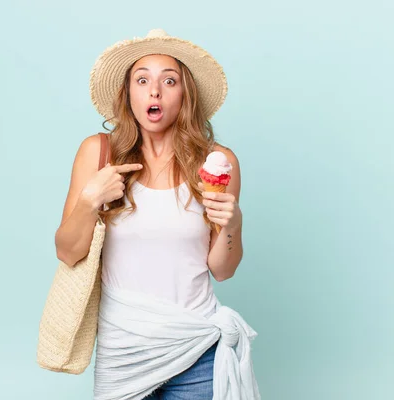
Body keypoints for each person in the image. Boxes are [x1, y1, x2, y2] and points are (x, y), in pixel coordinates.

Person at [55, 29, 261, 400]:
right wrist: (89, 201)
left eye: (169, 81)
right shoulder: (98, 153)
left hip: (194, 346)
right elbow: (68, 252)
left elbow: (223, 269)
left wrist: (233, 224)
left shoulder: (217, 162)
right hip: (123, 347)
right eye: (142, 80)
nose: (155, 91)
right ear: (128, 94)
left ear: (185, 95)